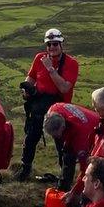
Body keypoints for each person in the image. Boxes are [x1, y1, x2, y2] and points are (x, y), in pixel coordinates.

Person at [17, 28, 80, 181]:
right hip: (39, 105)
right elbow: (31, 77)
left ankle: (65, 175)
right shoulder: (39, 58)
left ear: (61, 44)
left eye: (55, 44)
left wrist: (50, 69)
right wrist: (27, 89)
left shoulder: (71, 63)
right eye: (49, 44)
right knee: (31, 136)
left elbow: (65, 87)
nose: (52, 47)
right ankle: (25, 168)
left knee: (61, 143)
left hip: (60, 108)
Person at [42, 102, 101, 191]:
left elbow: (85, 167)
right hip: (74, 128)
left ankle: (89, 189)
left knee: (90, 165)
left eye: (56, 135)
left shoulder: (81, 137)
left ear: (62, 127)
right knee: (66, 155)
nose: (54, 138)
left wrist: (76, 190)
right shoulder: (54, 109)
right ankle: (64, 185)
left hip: (96, 129)